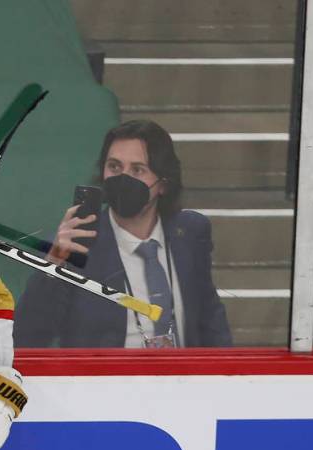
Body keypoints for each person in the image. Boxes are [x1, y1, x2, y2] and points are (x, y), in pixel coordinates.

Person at [14, 119, 232, 348]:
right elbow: (27, 337)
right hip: (107, 381)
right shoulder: (76, 245)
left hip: (185, 379)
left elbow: (212, 322)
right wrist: (54, 265)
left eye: (137, 170)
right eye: (115, 167)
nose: (123, 178)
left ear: (163, 184)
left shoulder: (189, 232)